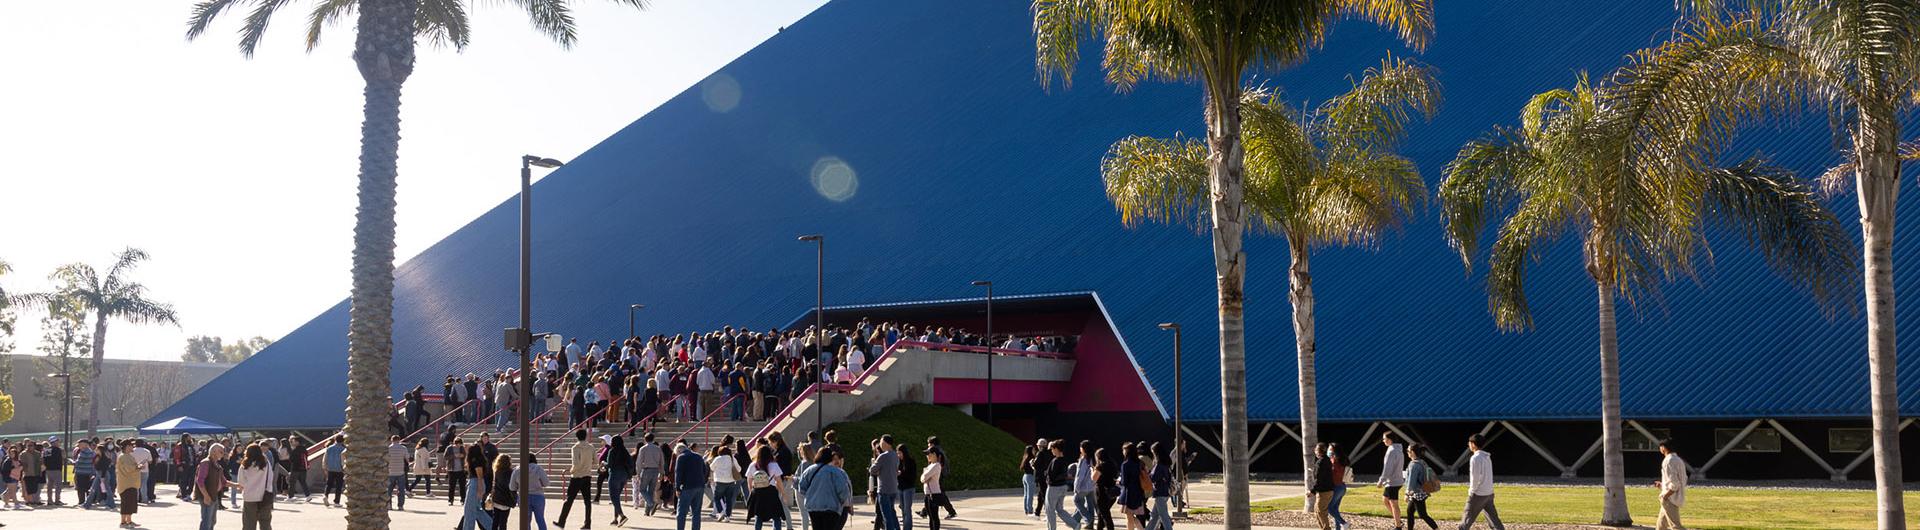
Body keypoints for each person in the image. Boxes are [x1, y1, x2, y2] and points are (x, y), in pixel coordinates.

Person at [798, 448, 851, 530]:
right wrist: (841, 502)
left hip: (813, 507)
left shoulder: (809, 470)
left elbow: (801, 487)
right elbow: (843, 490)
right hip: (831, 507)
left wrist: (810, 496)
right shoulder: (837, 472)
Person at [1458, 434, 1503, 530]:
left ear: (1473, 444)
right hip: (1489, 493)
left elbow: (1475, 477)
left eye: (1469, 443)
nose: (1468, 444)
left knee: (1466, 521)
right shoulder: (1487, 457)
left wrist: (1471, 491)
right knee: (1494, 521)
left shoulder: (1475, 458)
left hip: (1478, 494)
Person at [556, 429, 597, 530]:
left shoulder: (575, 448)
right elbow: (596, 461)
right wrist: (587, 465)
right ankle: (588, 524)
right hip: (587, 476)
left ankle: (562, 522)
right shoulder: (591, 447)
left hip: (577, 477)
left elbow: (576, 464)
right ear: (586, 436)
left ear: (577, 437)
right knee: (587, 502)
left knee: (569, 500)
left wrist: (570, 471)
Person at [746, 445, 787, 530]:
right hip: (771, 492)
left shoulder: (753, 465)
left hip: (757, 492)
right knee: (776, 515)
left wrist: (751, 491)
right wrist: (783, 493)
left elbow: (749, 480)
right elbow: (778, 481)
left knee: (759, 515)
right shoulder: (774, 465)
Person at [238, 443, 276, 530]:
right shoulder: (266, 463)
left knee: (249, 523)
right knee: (265, 523)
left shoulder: (244, 465)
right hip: (265, 496)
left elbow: (241, 482)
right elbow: (270, 478)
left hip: (249, 497)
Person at [868, 435, 902, 530]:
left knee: (886, 516)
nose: (880, 444)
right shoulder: (895, 455)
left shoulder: (882, 456)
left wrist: (879, 471)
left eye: (882, 442)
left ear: (886, 443)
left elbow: (872, 470)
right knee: (892, 513)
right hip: (893, 488)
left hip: (883, 489)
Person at [196, 443, 232, 530]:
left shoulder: (217, 464)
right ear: (213, 452)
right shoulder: (206, 462)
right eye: (221, 452)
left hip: (213, 495)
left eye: (223, 452)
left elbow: (224, 482)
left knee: (212, 521)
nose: (223, 454)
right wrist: (206, 496)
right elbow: (200, 481)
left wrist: (238, 485)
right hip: (207, 496)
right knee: (206, 522)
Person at [676, 443, 711, 530]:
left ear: (679, 451)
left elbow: (678, 474)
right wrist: (703, 481)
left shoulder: (681, 457)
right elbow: (705, 470)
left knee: (681, 512)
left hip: (687, 486)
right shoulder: (698, 456)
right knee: (696, 512)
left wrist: (677, 488)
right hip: (700, 486)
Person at [512, 454, 552, 530]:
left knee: (526, 521)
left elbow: (512, 487)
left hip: (523, 497)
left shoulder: (517, 469)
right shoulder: (538, 468)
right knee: (540, 519)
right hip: (538, 496)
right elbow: (546, 483)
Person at [1654, 440, 1687, 530]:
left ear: (1664, 448)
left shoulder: (1668, 461)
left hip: (1670, 498)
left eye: (1660, 447)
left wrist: (1665, 495)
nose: (1660, 449)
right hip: (1673, 496)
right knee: (1661, 525)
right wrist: (1662, 485)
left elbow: (1675, 483)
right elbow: (1681, 479)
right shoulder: (1678, 460)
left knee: (1676, 526)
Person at [1045, 440, 1078, 530]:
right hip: (1063, 486)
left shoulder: (1055, 461)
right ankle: (1075, 524)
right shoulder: (1064, 460)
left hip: (1054, 488)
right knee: (1060, 509)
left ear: (1056, 449)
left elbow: (1051, 476)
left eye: (1052, 449)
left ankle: (1052, 528)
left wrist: (1047, 477)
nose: (1051, 451)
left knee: (1050, 510)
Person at [1404, 444, 1438, 530]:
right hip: (1422, 491)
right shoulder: (1422, 462)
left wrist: (1407, 494)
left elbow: (1411, 481)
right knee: (1410, 511)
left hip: (1417, 493)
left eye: (1408, 451)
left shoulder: (1413, 465)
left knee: (1423, 515)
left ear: (1412, 452)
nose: (1407, 453)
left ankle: (1436, 528)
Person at [606, 436, 635, 527]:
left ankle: (622, 516)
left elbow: (609, 464)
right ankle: (615, 519)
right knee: (617, 497)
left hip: (614, 474)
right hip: (624, 476)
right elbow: (631, 464)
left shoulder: (612, 451)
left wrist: (604, 464)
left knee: (613, 497)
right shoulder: (625, 451)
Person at [459, 450, 491, 530]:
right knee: (477, 511)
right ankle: (492, 527)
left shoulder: (475, 460)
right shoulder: (479, 459)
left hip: (475, 484)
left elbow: (479, 476)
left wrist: (480, 490)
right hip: (476, 483)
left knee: (469, 511)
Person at [1379, 433, 1406, 525]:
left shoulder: (1391, 451)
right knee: (1385, 500)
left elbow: (1388, 468)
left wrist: (1381, 480)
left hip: (1392, 482)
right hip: (1397, 480)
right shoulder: (1398, 449)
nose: (1383, 440)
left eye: (1384, 439)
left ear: (1390, 440)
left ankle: (1398, 525)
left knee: (1394, 503)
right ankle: (1398, 520)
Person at [1117, 443, 1145, 530]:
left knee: (1129, 517)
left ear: (1127, 451)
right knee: (1131, 516)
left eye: (1124, 450)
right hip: (1139, 492)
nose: (1123, 451)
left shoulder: (1125, 464)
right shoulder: (1140, 463)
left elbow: (1124, 482)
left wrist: (1119, 481)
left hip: (1128, 494)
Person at [711, 445, 743, 522]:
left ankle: (721, 511)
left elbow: (711, 467)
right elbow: (739, 469)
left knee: (717, 498)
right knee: (729, 499)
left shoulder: (717, 459)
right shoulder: (732, 459)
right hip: (731, 481)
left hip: (720, 481)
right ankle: (727, 516)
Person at [638, 432, 666, 516]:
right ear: (653, 439)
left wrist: (638, 472)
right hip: (656, 470)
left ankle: (651, 503)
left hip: (646, 470)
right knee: (651, 490)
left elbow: (639, 462)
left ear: (645, 439)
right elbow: (662, 461)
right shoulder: (658, 449)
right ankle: (647, 511)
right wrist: (661, 473)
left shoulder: (643, 448)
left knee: (642, 489)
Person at [1309, 442, 1335, 530]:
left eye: (1315, 450)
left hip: (1324, 491)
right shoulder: (1327, 460)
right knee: (1317, 511)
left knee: (1321, 512)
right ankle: (1323, 528)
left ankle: (1326, 528)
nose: (1315, 452)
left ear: (1318, 451)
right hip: (1327, 490)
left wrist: (1312, 491)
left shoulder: (1320, 463)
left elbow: (1319, 479)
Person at [1147, 442, 1173, 530]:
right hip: (1165, 491)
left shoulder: (1159, 465)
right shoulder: (1166, 463)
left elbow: (1153, 478)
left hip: (1160, 492)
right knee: (1155, 515)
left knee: (1163, 516)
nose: (1152, 454)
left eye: (1153, 452)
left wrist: (1148, 474)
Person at [919, 448, 946, 530]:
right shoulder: (930, 465)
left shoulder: (936, 465)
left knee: (934, 516)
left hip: (934, 494)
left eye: (929, 454)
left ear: (934, 454)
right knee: (930, 517)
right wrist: (925, 477)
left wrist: (925, 477)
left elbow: (924, 477)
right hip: (928, 494)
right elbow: (922, 478)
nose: (927, 456)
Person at [117, 440, 142, 528]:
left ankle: (129, 520)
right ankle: (123, 522)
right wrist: (137, 467)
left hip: (132, 483)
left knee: (131, 503)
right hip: (126, 484)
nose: (133, 447)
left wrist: (138, 466)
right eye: (131, 446)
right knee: (126, 503)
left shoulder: (130, 456)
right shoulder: (123, 457)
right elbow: (128, 469)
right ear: (127, 446)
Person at [489, 455, 517, 530]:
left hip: (497, 498)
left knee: (495, 521)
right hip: (506, 499)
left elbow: (495, 484)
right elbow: (511, 486)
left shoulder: (497, 471)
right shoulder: (511, 472)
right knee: (503, 522)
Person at [1091, 448, 1117, 530]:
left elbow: (1093, 478)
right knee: (1100, 514)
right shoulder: (1113, 464)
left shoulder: (1100, 466)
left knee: (1105, 515)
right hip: (1112, 492)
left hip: (1102, 493)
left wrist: (1092, 470)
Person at [1073, 441, 1096, 529]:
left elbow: (1080, 476)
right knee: (1090, 505)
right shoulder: (1093, 459)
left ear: (1083, 449)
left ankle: (1088, 520)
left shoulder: (1083, 460)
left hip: (1083, 487)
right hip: (1091, 486)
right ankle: (1090, 524)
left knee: (1076, 501)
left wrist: (1076, 487)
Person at [896, 446, 919, 530]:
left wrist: (901, 473)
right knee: (903, 509)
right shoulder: (898, 462)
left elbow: (912, 477)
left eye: (900, 453)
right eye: (897, 453)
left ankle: (908, 528)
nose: (898, 455)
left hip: (909, 488)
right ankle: (905, 527)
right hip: (900, 488)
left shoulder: (911, 461)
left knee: (907, 510)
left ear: (904, 452)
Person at [1328, 444, 1349, 530]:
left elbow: (1331, 473)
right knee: (1335, 509)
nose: (1328, 451)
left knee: (1329, 508)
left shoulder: (1334, 460)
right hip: (1342, 487)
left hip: (1336, 487)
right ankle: (1338, 528)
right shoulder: (1342, 460)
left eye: (1330, 450)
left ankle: (1344, 523)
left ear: (1334, 451)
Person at [387, 435, 412, 510]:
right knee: (401, 490)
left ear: (392, 440)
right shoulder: (403, 448)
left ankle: (389, 505)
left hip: (390, 472)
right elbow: (407, 459)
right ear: (399, 440)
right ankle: (400, 506)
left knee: (389, 490)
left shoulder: (388, 448)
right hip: (401, 471)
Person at [72, 440, 98, 509]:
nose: (79, 446)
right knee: (88, 488)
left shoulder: (83, 452)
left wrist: (74, 462)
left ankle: (81, 502)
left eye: (80, 444)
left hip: (81, 472)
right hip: (89, 472)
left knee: (81, 488)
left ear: (85, 445)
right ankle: (89, 501)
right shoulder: (92, 452)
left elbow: (78, 462)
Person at [324, 436, 347, 506]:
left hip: (330, 469)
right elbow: (343, 460)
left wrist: (325, 467)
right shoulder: (343, 449)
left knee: (329, 484)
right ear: (343, 441)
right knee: (338, 486)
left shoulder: (329, 448)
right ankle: (336, 501)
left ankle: (325, 495)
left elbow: (325, 458)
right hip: (339, 469)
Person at [446, 437, 468, 506]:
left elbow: (465, 455)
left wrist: (462, 455)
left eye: (460, 444)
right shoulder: (449, 448)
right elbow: (445, 457)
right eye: (458, 444)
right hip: (452, 470)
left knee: (462, 486)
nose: (459, 446)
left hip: (461, 469)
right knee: (452, 486)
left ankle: (463, 499)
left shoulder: (462, 448)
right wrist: (454, 456)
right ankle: (450, 500)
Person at [1020, 445, 1038, 517]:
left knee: (1026, 495)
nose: (1035, 451)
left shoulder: (1025, 457)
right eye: (1033, 450)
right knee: (1030, 495)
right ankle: (1030, 511)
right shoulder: (1032, 459)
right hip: (1030, 477)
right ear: (1031, 451)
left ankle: (1026, 510)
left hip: (1025, 476)